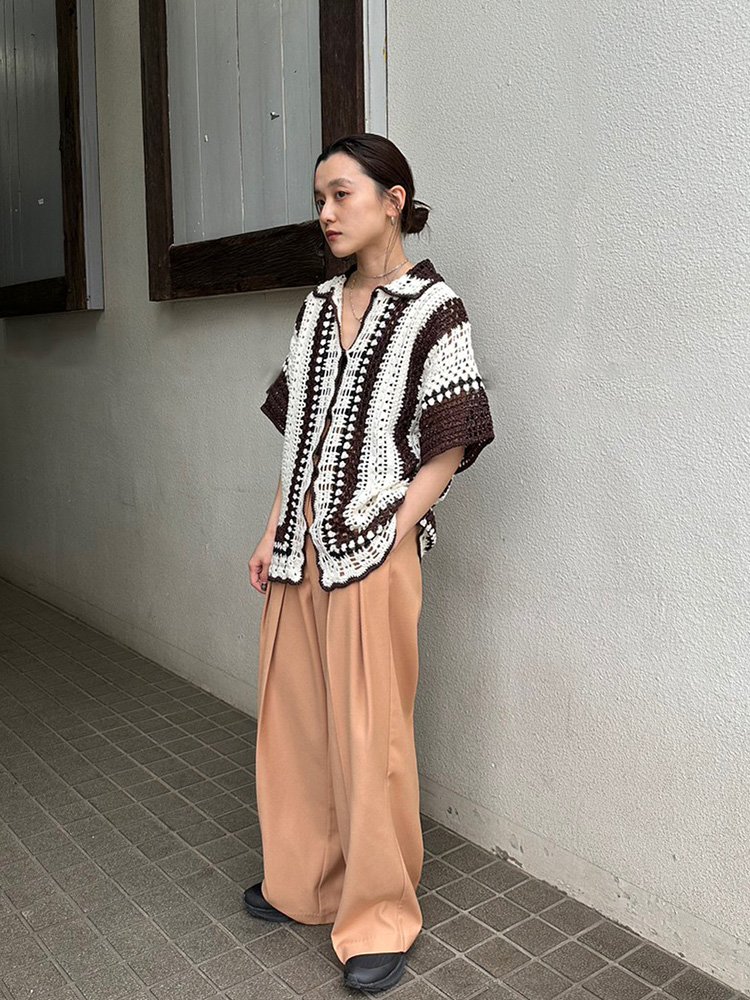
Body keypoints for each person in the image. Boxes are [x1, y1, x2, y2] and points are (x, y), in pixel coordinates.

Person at [245, 133, 495, 993]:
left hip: (373, 552)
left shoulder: (435, 309)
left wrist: (397, 528)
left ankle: (380, 914)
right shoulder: (317, 307)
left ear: (393, 201)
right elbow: (299, 438)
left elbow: (451, 441)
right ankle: (307, 882)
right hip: (300, 549)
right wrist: (273, 529)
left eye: (341, 195)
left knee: (371, 737)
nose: (325, 213)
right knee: (297, 728)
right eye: (319, 198)